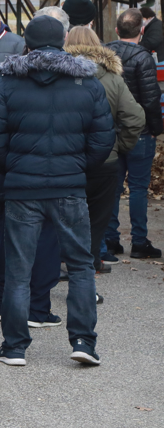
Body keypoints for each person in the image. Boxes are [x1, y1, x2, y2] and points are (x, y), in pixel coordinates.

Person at [0, 16, 114, 368]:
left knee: (19, 269)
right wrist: (78, 167)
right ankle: (84, 340)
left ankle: (14, 346)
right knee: (82, 265)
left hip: (22, 187)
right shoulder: (86, 81)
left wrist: (12, 168)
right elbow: (103, 138)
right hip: (69, 185)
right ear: (63, 41)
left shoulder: (8, 80)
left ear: (27, 41)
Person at [64, 27, 144, 278]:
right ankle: (88, 267)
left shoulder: (58, 75)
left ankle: (58, 264)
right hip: (105, 159)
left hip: (65, 159)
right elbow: (135, 118)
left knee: (61, 217)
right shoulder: (112, 78)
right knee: (97, 220)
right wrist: (120, 146)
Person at [103, 7, 164, 260]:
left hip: (109, 131)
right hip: (140, 130)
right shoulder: (143, 58)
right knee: (139, 188)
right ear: (141, 32)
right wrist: (156, 129)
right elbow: (151, 99)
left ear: (117, 30)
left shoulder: (104, 55)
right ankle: (139, 241)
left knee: (113, 187)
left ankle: (110, 238)